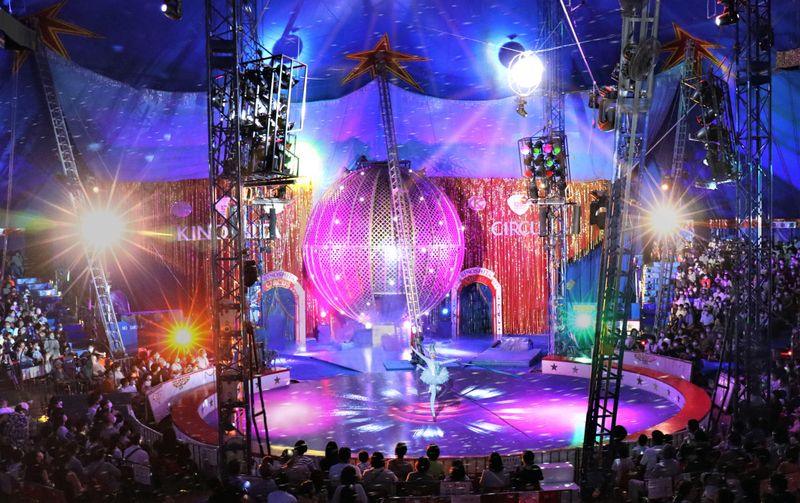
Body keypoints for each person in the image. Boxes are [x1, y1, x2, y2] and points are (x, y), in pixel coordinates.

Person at [411, 343, 458, 419]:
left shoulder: (437, 362)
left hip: (437, 376)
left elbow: (446, 362)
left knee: (443, 386)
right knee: (433, 395)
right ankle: (433, 412)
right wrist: (413, 349)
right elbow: (420, 355)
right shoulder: (428, 360)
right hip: (432, 378)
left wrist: (455, 360)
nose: (433, 355)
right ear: (429, 354)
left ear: (435, 354)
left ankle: (433, 389)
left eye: (434, 354)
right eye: (431, 354)